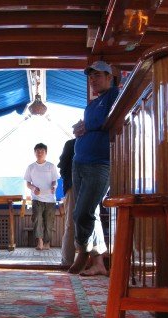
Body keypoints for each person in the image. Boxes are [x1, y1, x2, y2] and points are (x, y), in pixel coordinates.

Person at [68, 60, 119, 276]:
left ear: (110, 77)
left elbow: (106, 120)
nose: (93, 79)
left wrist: (86, 126)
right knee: (91, 213)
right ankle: (99, 263)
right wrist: (81, 128)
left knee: (83, 212)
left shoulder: (115, 95)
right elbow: (92, 122)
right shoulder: (93, 104)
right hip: (79, 162)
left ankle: (82, 250)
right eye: (91, 76)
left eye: (98, 75)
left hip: (100, 164)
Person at [24, 143, 58, 250]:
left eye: (42, 151)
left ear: (46, 153)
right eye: (37, 151)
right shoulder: (31, 167)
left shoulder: (51, 166)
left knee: (49, 223)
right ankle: (40, 242)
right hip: (36, 198)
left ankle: (47, 243)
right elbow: (28, 183)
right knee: (37, 220)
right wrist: (34, 189)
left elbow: (55, 181)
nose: (40, 153)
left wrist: (53, 187)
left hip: (50, 199)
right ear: (34, 153)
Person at [58, 137, 76, 266]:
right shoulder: (71, 144)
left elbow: (62, 165)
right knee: (71, 221)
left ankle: (68, 260)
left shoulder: (71, 144)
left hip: (74, 184)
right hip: (74, 184)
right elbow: (63, 166)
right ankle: (68, 260)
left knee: (71, 222)